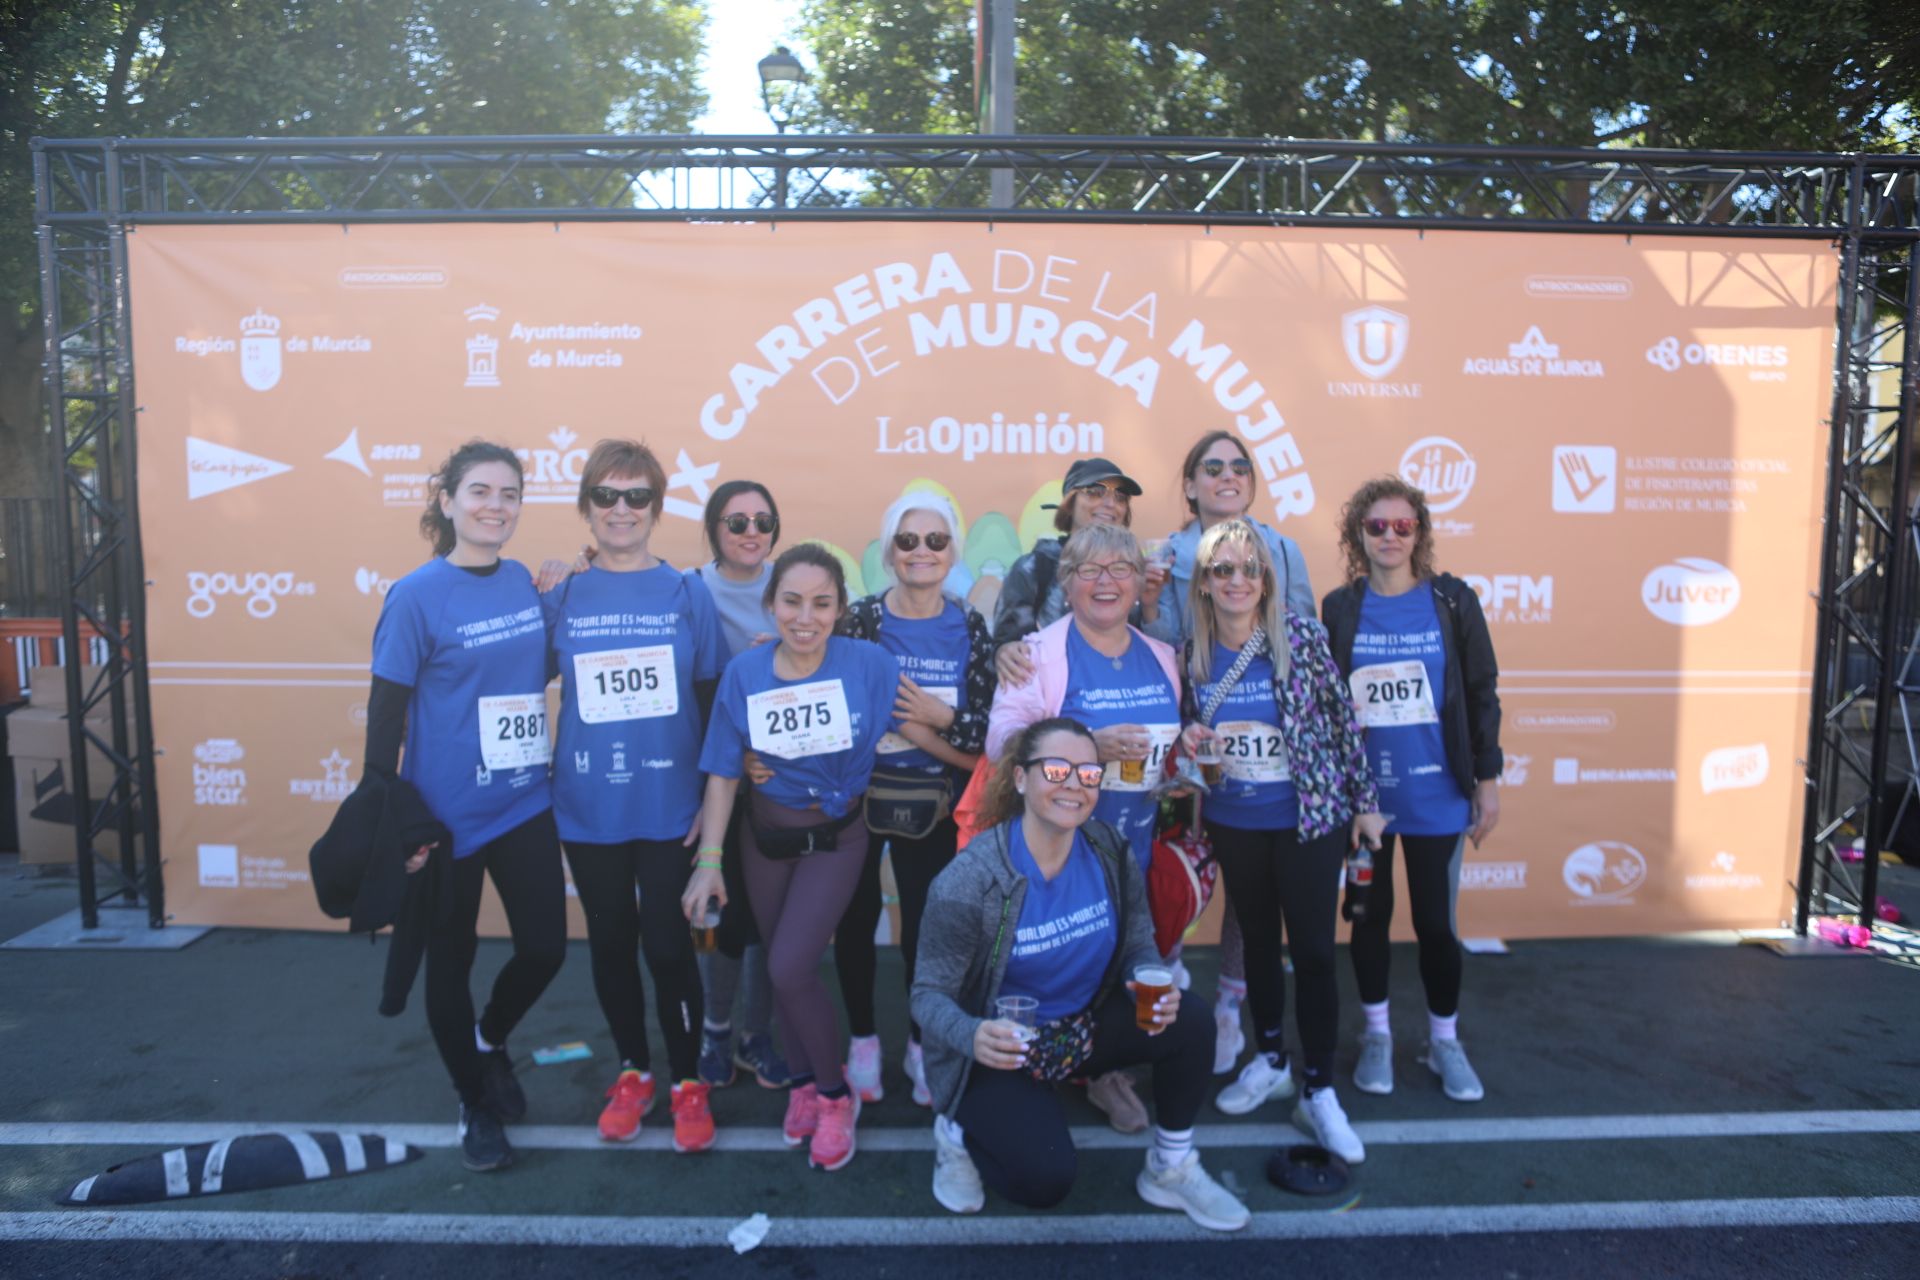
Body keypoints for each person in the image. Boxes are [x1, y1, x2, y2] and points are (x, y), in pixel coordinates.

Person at [910, 718, 1249, 1231]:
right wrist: (974, 1034)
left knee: (1192, 1020)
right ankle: (954, 1133)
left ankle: (1171, 1167)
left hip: (1081, 1027)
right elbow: (927, 995)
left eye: (1088, 773)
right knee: (1043, 1181)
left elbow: (1138, 939)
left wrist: (1147, 975)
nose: (1074, 784)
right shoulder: (970, 880)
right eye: (1056, 769)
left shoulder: (1108, 848)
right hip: (1002, 1046)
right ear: (1021, 778)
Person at [367, 441, 566, 1173]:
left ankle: (488, 1041)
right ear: (447, 501)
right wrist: (397, 821)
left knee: (544, 947)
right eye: (479, 491)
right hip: (446, 818)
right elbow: (385, 717)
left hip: (522, 800)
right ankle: (472, 1100)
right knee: (448, 964)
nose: (495, 505)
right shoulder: (417, 594)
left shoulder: (521, 581)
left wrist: (559, 593)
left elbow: (544, 665)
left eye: (509, 494)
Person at [684, 545, 900, 1171]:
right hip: (764, 841)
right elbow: (724, 774)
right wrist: (710, 861)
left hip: (836, 840)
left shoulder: (871, 665)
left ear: (840, 609)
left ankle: (835, 1097)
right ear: (771, 604)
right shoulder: (745, 673)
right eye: (792, 601)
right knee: (785, 972)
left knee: (786, 966)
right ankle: (804, 1084)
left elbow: (912, 725)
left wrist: (962, 744)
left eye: (822, 603)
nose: (806, 617)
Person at [541, 439, 728, 1152]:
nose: (622, 510)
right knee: (612, 940)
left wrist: (712, 816)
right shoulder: (561, 593)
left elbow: (712, 709)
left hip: (668, 807)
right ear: (587, 507)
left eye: (637, 497)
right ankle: (633, 1070)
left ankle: (687, 1080)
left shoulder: (688, 593)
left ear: (655, 506)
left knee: (667, 945)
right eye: (607, 497)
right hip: (588, 806)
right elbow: (519, 685)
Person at [1179, 519, 1384, 1163]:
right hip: (1235, 822)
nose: (1237, 580)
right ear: (1205, 583)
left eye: (1248, 569)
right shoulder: (1193, 649)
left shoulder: (1299, 637)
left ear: (1266, 579)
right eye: (1222, 570)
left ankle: (1319, 1089)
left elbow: (1343, 725)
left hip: (1308, 820)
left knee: (1316, 954)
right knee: (1257, 944)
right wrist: (1192, 739)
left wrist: (1365, 805)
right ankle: (1269, 1057)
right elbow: (1188, 728)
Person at [984, 522, 1182, 1135]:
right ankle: (1014, 1077)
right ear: (1066, 584)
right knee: (1056, 969)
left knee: (1125, 961)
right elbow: (1000, 745)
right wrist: (1087, 747)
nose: (1105, 583)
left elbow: (1163, 760)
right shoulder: (1038, 653)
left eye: (1120, 569)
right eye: (1088, 571)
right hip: (1057, 855)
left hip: (1135, 845)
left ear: (1138, 581)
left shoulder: (1163, 656)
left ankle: (1104, 1073)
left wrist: (1189, 762)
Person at [1322, 477, 1503, 1105]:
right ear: (1358, 536)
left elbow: (1482, 694)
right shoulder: (1340, 608)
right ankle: (1377, 1035)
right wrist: (1345, 796)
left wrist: (1488, 780)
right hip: (1364, 804)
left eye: (1403, 526)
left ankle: (1443, 1039)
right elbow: (1330, 707)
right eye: (1377, 527)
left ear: (1419, 533)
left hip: (1437, 796)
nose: (1391, 537)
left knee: (1435, 924)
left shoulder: (1452, 603)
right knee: (1368, 919)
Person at [1139, 431, 1317, 1073]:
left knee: (1249, 894)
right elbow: (1154, 654)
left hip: (1261, 757)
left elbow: (1304, 649)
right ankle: (1173, 996)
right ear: (1189, 486)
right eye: (1211, 468)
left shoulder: (1284, 551)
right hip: (1182, 747)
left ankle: (1230, 1011)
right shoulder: (1159, 554)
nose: (1227, 476)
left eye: (1240, 467)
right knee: (1172, 876)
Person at [834, 493, 997, 1105]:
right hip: (858, 796)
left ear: (952, 551)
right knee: (853, 921)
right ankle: (863, 1040)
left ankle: (924, 1045)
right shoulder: (859, 620)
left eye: (935, 540)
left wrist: (935, 719)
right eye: (908, 541)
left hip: (936, 801)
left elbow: (986, 736)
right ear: (887, 552)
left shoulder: (970, 626)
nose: (922, 552)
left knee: (925, 932)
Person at [690, 481, 792, 1092]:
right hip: (714, 773)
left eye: (763, 519)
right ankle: (714, 1029)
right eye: (736, 522)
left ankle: (756, 1036)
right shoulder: (689, 587)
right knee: (714, 911)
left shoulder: (797, 582)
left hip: (782, 778)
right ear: (713, 529)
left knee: (763, 919)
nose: (751, 531)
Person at [991, 457, 1166, 686]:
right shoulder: (1034, 568)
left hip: (1121, 697)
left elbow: (1158, 655)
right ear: (1070, 503)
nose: (1110, 503)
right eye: (1095, 491)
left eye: (1120, 497)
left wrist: (1149, 606)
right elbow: (1010, 650)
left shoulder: (1138, 571)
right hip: (1055, 702)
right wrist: (1003, 652)